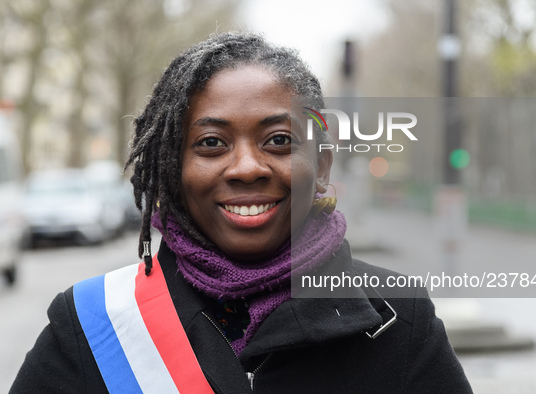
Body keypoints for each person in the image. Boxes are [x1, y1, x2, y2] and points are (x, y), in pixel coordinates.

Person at [10, 32, 472, 393]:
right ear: (173, 169)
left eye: (279, 140)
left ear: (323, 165)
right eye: (211, 143)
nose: (248, 167)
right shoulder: (93, 325)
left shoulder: (399, 318)